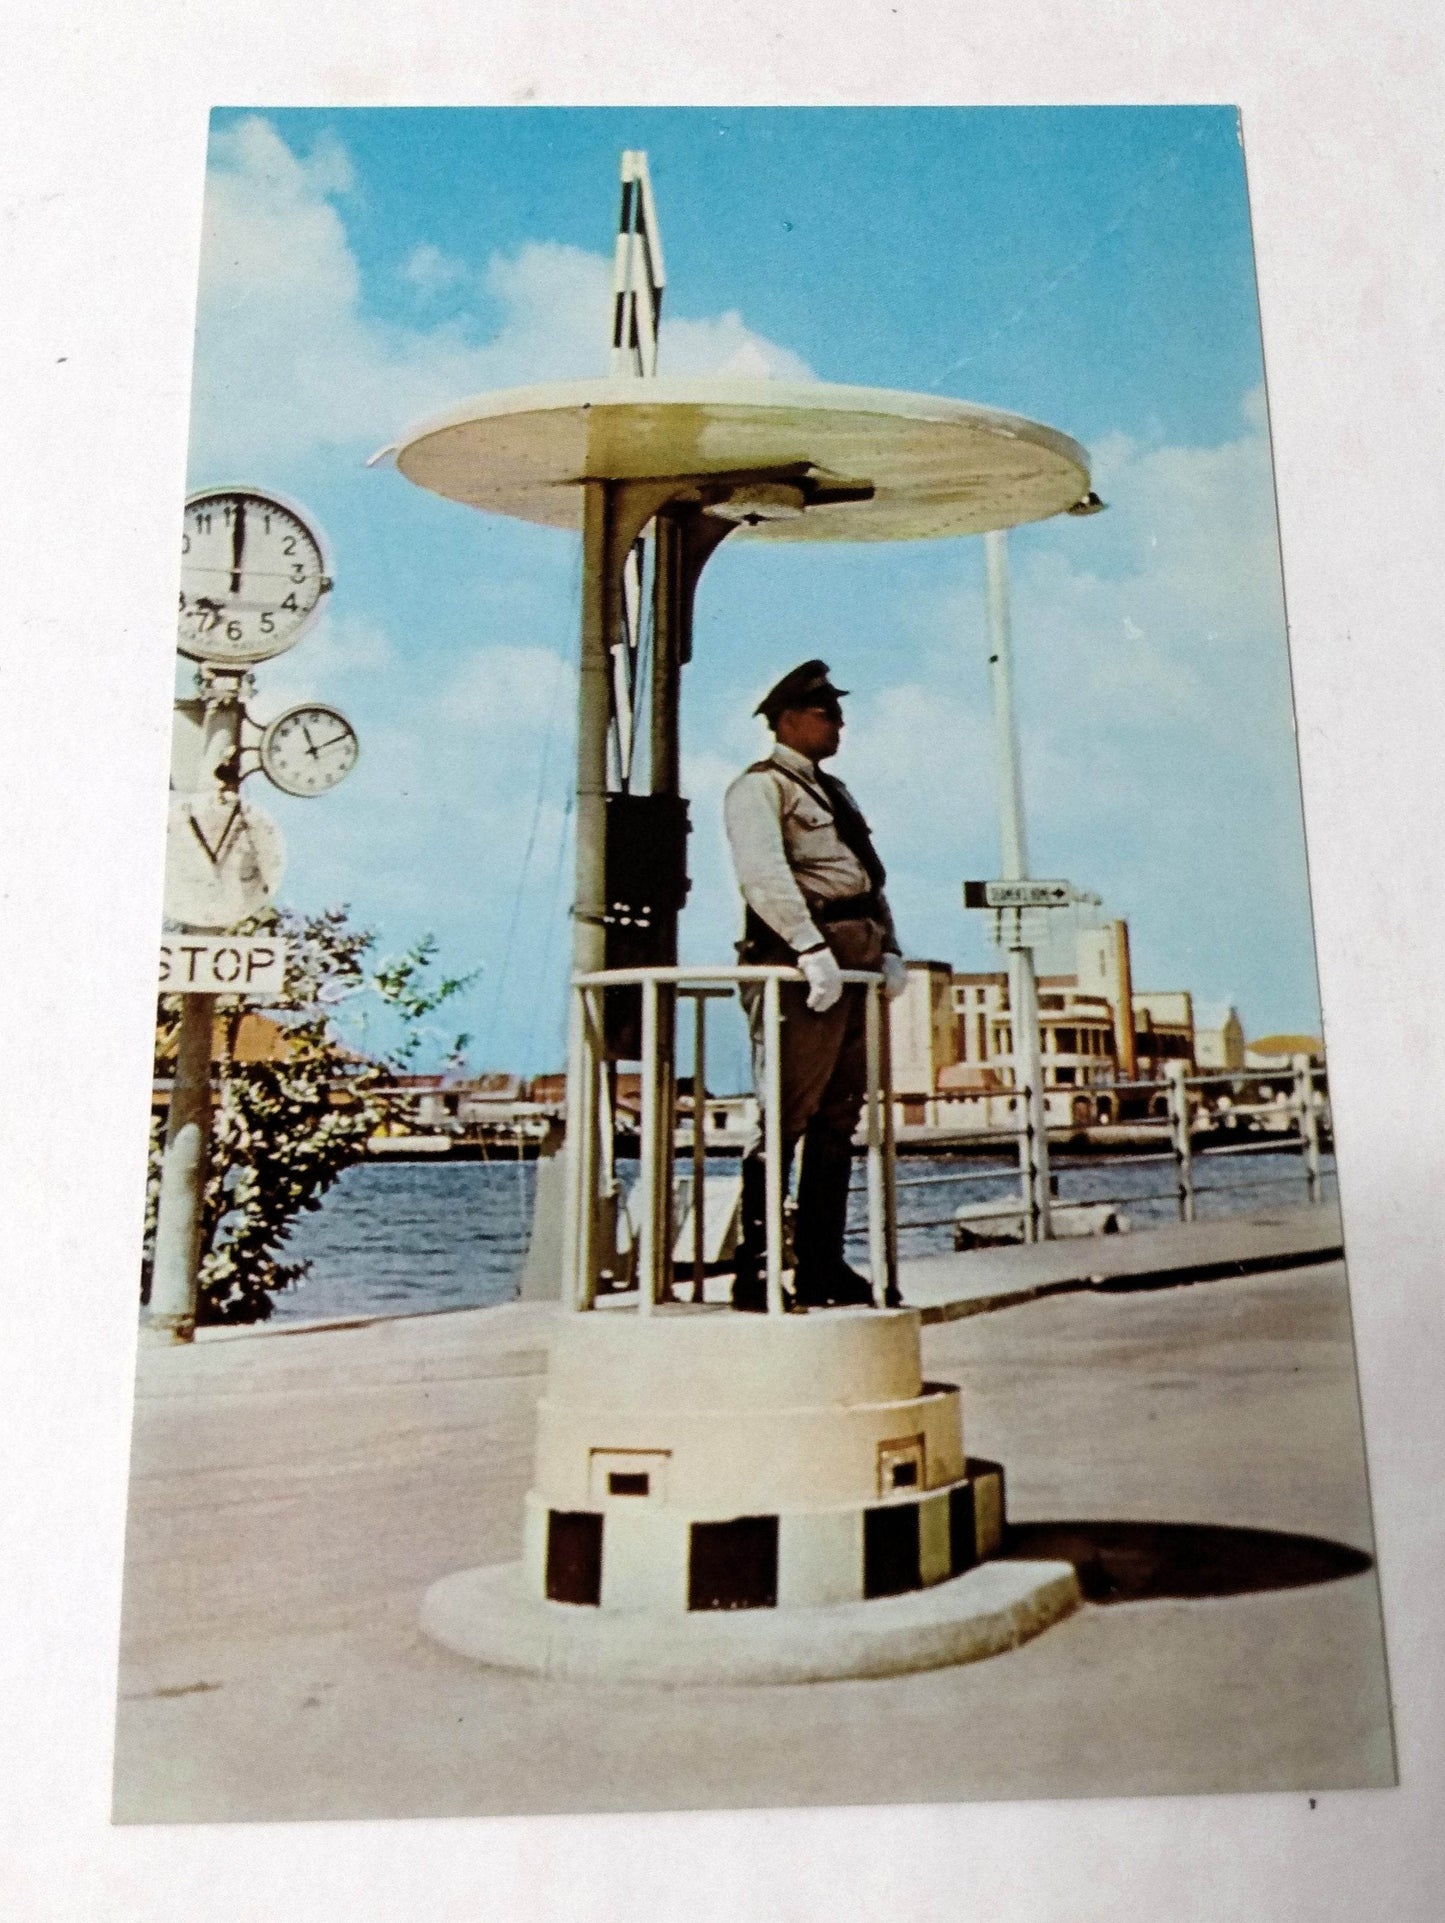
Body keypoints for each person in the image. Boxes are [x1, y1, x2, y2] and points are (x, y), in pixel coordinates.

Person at [723, 659, 908, 1310]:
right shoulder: (760, 788)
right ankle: (757, 1267)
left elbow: (867, 877)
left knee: (839, 1113)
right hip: (800, 958)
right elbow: (764, 876)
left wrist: (890, 948)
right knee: (786, 1110)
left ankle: (821, 1263)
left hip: (854, 955)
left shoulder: (836, 792)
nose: (839, 725)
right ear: (787, 719)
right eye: (827, 714)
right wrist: (807, 947)